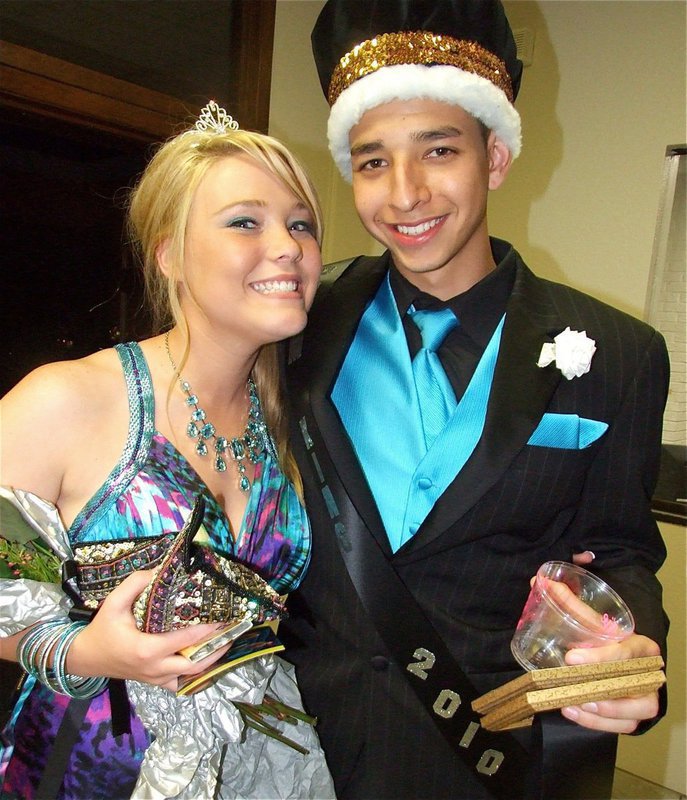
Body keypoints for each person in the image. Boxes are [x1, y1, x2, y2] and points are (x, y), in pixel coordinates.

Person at [281, 1, 670, 798]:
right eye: (372, 162)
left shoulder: (620, 354)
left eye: (439, 151)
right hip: (297, 740)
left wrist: (627, 647)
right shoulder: (295, 325)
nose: (405, 195)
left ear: (493, 157)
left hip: (488, 749)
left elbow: (621, 549)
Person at [0, 102, 335, 799]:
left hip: (262, 763)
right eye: (246, 220)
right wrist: (81, 649)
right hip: (89, 767)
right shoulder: (67, 400)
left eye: (299, 223)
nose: (287, 245)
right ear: (169, 254)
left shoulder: (296, 420)